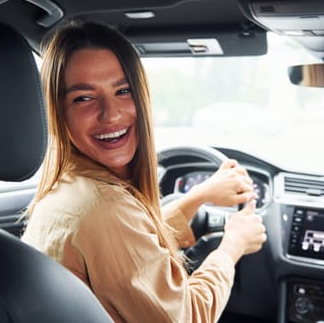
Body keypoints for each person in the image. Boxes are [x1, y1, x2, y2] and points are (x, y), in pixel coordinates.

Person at [21, 22, 267, 323]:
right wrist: (232, 246)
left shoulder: (69, 188)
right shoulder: (105, 209)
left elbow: (128, 246)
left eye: (123, 91)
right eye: (83, 98)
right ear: (57, 111)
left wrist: (197, 197)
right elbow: (189, 317)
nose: (111, 114)